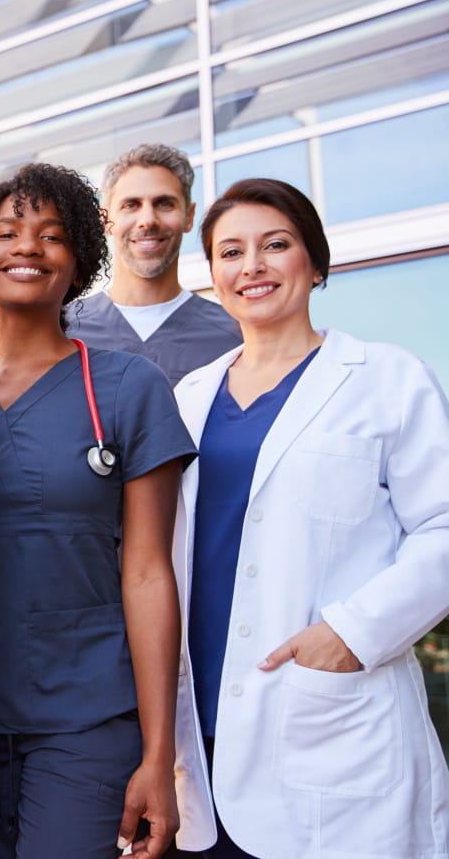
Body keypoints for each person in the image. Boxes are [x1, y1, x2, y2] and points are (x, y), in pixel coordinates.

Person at [170, 178, 449, 858]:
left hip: (331, 720)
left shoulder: (386, 377)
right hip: (200, 727)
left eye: (277, 245)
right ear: (214, 275)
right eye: (231, 252)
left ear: (315, 264)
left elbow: (443, 528)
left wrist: (351, 634)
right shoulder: (188, 395)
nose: (253, 266)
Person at [0, 163, 194, 859]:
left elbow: (148, 574)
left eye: (52, 236)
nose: (28, 247)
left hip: (87, 722)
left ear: (78, 260)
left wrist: (159, 754)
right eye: (7, 233)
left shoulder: (126, 388)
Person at [66, 143, 240, 386]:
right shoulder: (62, 330)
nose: (147, 220)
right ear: (105, 219)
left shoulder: (235, 336)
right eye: (131, 205)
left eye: (164, 203)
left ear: (189, 216)